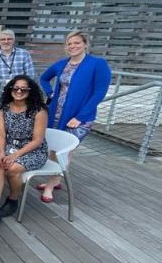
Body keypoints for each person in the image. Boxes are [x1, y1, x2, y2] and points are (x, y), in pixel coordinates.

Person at [37, 30, 111, 202]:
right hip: (56, 113)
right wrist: (50, 93)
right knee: (52, 147)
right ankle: (54, 179)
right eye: (69, 44)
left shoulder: (97, 64)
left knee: (65, 150)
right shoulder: (62, 64)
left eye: (77, 42)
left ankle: (50, 185)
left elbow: (100, 92)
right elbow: (44, 78)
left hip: (79, 116)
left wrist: (81, 116)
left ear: (85, 44)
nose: (73, 46)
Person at [0, 76, 49, 231]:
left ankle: (13, 199)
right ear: (10, 89)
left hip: (33, 150)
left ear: (30, 91)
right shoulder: (4, 109)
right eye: (15, 88)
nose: (19, 91)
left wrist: (14, 156)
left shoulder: (39, 111)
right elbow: (1, 134)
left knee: (12, 169)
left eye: (23, 89)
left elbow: (37, 140)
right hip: (9, 147)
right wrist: (1, 152)